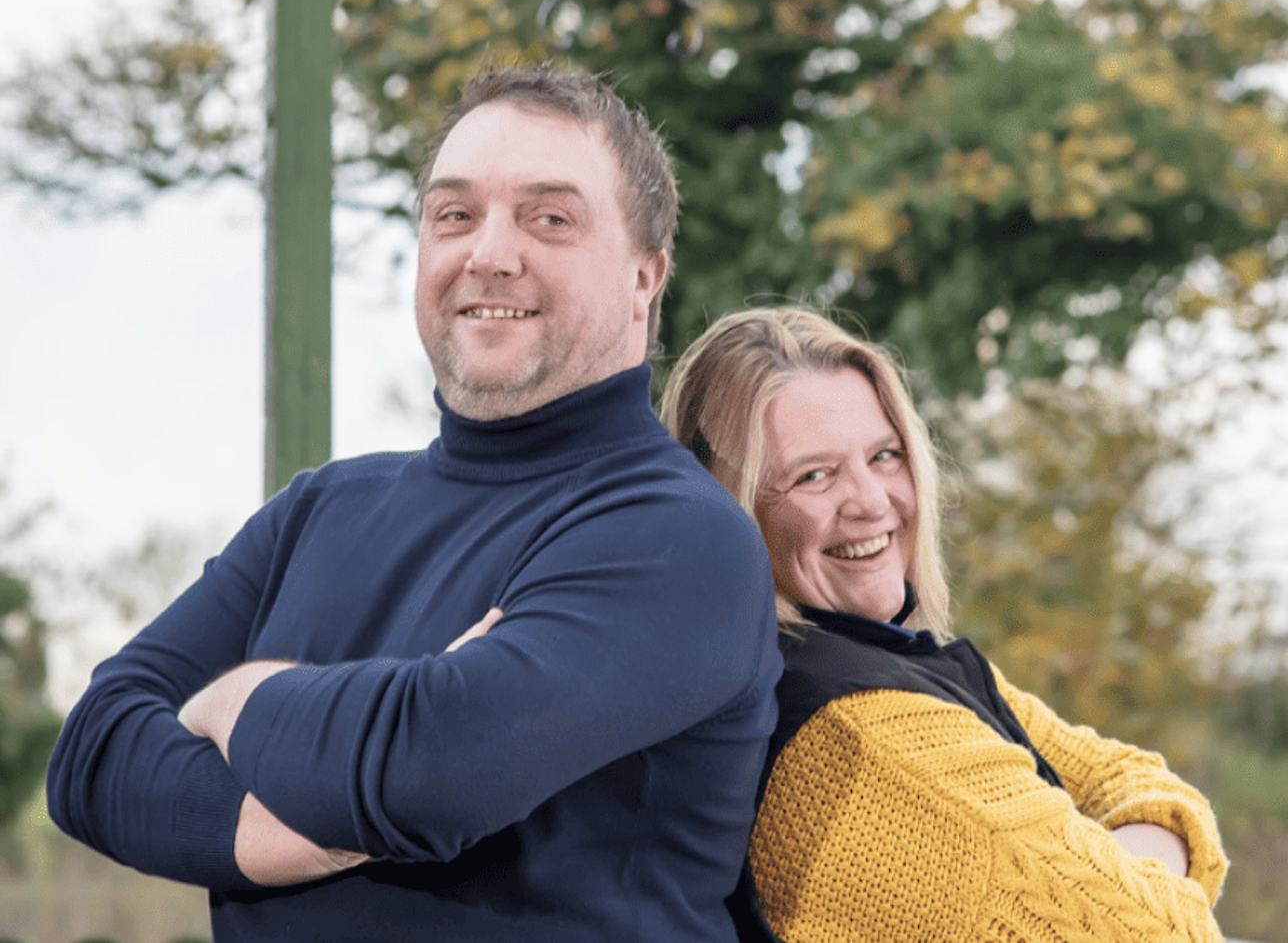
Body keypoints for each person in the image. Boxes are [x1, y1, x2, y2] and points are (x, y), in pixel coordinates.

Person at [47, 62, 782, 942]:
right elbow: (92, 753)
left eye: (550, 218)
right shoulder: (318, 511)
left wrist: (231, 700)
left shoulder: (680, 536)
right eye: (455, 215)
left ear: (644, 278)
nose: (490, 254)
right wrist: (283, 831)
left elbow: (433, 773)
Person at [659, 305, 1229, 943]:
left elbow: (1132, 777)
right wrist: (1131, 868)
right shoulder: (865, 743)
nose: (871, 501)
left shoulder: (868, 666)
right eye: (812, 476)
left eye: (884, 456)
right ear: (728, 512)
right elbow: (1159, 932)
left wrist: (1119, 866)